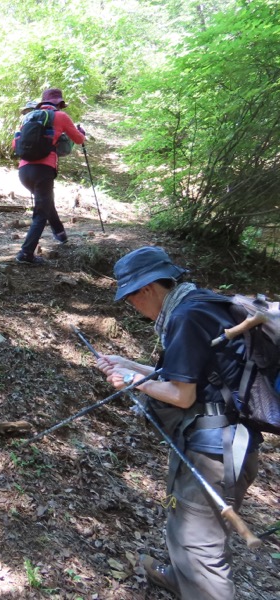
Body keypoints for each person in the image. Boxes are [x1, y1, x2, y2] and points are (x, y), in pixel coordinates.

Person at [95, 246, 261, 599]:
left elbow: (182, 395)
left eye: (130, 297)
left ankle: (197, 585)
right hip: (227, 441)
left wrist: (130, 379)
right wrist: (126, 362)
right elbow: (184, 375)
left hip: (214, 451)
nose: (131, 306)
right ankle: (178, 577)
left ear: (148, 289)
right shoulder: (199, 304)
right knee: (188, 526)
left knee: (200, 545)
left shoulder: (185, 318)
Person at [15, 88, 85, 265]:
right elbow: (78, 140)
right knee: (41, 212)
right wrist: (81, 133)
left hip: (24, 170)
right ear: (59, 103)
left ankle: (60, 234)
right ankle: (25, 253)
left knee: (45, 203)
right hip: (43, 170)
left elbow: (15, 142)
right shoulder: (60, 116)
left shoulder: (29, 117)